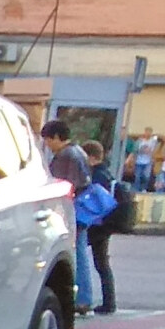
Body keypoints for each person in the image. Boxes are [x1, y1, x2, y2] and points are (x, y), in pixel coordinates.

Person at [42, 120, 95, 312]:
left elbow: (62, 185)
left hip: (71, 211)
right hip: (81, 209)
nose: (47, 144)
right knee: (80, 253)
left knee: (77, 254)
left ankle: (82, 299)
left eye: (48, 139)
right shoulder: (78, 151)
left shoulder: (66, 155)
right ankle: (84, 297)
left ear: (57, 137)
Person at [81, 140, 124, 314]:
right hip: (105, 224)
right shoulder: (107, 174)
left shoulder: (97, 176)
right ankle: (109, 302)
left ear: (91, 157)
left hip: (96, 224)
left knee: (86, 259)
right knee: (102, 263)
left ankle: (97, 301)